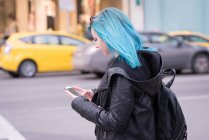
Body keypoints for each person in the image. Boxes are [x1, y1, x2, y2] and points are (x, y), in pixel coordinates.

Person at [65, 7, 162, 140]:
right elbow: (131, 99)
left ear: (109, 36)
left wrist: (79, 103)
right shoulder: (141, 58)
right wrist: (95, 96)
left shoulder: (122, 71)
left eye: (96, 39)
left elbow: (115, 121)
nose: (96, 45)